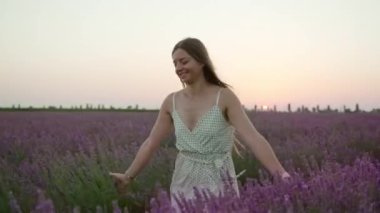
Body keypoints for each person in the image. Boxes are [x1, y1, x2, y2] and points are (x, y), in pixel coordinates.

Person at [109, 37, 290, 208]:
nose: (178, 67)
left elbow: (253, 138)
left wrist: (282, 174)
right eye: (175, 63)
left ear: (201, 61)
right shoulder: (171, 101)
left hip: (219, 181)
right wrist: (128, 176)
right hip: (183, 181)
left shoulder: (224, 97)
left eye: (184, 61)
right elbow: (150, 143)